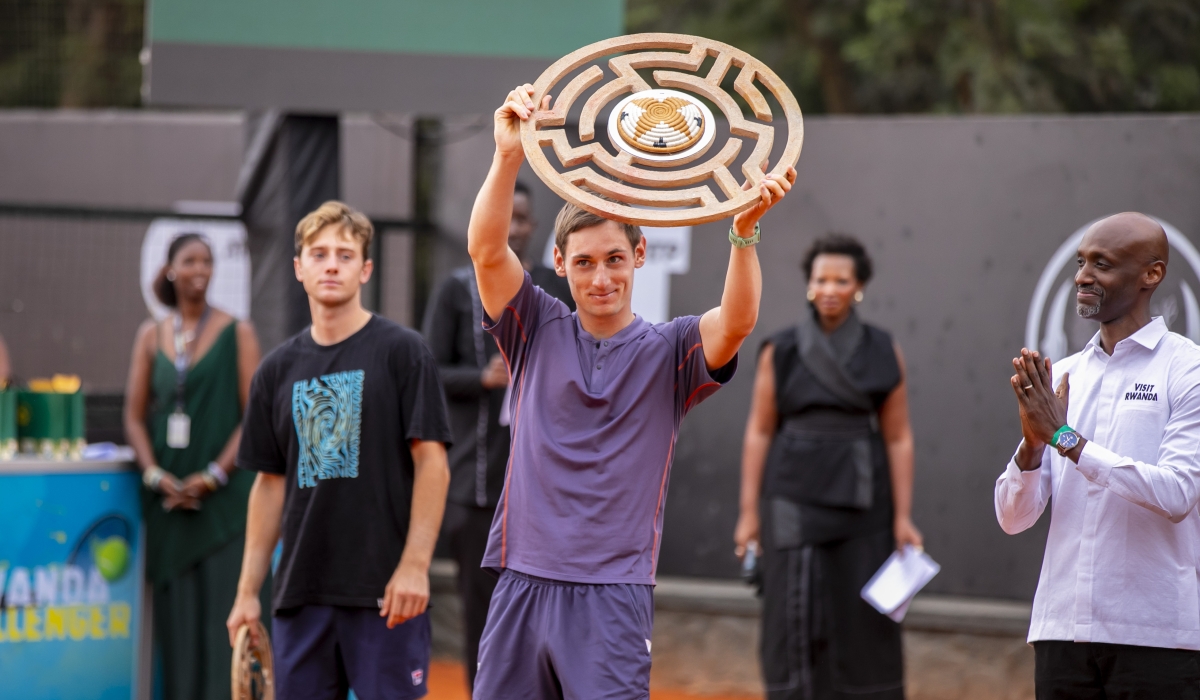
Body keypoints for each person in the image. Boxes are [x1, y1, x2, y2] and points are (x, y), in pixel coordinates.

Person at [467, 84, 794, 699]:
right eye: (585, 262)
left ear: (640, 255)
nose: (601, 277)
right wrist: (507, 154)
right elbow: (486, 252)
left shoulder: (671, 349)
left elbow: (737, 322)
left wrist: (744, 235)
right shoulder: (534, 325)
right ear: (559, 262)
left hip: (613, 593)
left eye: (615, 259)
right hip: (521, 580)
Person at [225, 201, 452, 700]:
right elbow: (268, 486)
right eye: (319, 254)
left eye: (345, 255)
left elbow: (432, 463)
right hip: (300, 597)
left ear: (365, 269)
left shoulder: (404, 352)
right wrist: (247, 593)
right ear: (298, 268)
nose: (331, 265)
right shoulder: (275, 371)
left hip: (387, 596)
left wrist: (415, 567)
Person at [996, 212, 1200, 697]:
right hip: (1060, 631)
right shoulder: (1064, 374)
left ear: (1152, 274)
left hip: (1155, 635)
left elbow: (1177, 494)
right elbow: (1013, 517)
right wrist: (1033, 443)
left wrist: (1066, 439)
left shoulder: (1187, 369)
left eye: (1102, 264)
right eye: (1081, 262)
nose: (1083, 277)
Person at [734, 234, 921, 700]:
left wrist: (902, 516)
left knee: (863, 619)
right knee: (792, 615)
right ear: (808, 284)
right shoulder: (781, 349)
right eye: (821, 280)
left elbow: (898, 436)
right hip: (791, 500)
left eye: (841, 280)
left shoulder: (882, 348)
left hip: (865, 501)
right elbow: (760, 430)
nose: (830, 289)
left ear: (859, 287)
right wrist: (749, 513)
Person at [420, 178, 567, 694]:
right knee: (482, 619)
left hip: (547, 492)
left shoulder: (555, 286)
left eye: (522, 219)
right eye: (505, 216)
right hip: (477, 487)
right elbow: (430, 369)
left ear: (533, 227)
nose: (513, 228)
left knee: (548, 621)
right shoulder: (455, 289)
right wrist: (481, 378)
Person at [123, 232, 265, 700]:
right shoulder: (151, 335)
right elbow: (133, 417)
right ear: (170, 269)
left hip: (224, 507)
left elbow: (254, 416)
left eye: (207, 261)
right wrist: (154, 475)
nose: (200, 269)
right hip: (169, 507)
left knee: (223, 633)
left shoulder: (237, 332)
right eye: (189, 261)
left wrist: (213, 476)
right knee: (177, 640)